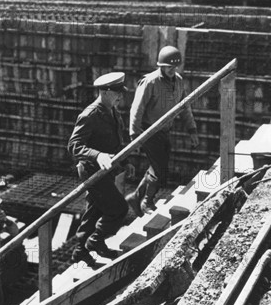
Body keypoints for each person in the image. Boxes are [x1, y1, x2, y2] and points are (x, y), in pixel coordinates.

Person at [127, 45, 199, 215]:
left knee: (159, 167)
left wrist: (192, 129)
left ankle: (135, 198)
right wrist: (134, 135)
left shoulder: (179, 81)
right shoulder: (150, 82)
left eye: (175, 67)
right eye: (169, 67)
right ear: (161, 65)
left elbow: (185, 107)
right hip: (149, 131)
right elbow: (137, 109)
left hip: (165, 131)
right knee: (159, 169)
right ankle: (146, 201)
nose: (172, 70)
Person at [67, 72, 129, 267]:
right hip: (93, 170)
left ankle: (80, 252)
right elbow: (74, 145)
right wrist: (98, 155)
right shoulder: (90, 114)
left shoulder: (113, 111)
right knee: (118, 208)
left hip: (106, 170)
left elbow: (115, 143)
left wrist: (125, 164)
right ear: (104, 92)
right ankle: (95, 241)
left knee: (94, 211)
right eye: (116, 93)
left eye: (121, 93)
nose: (120, 96)